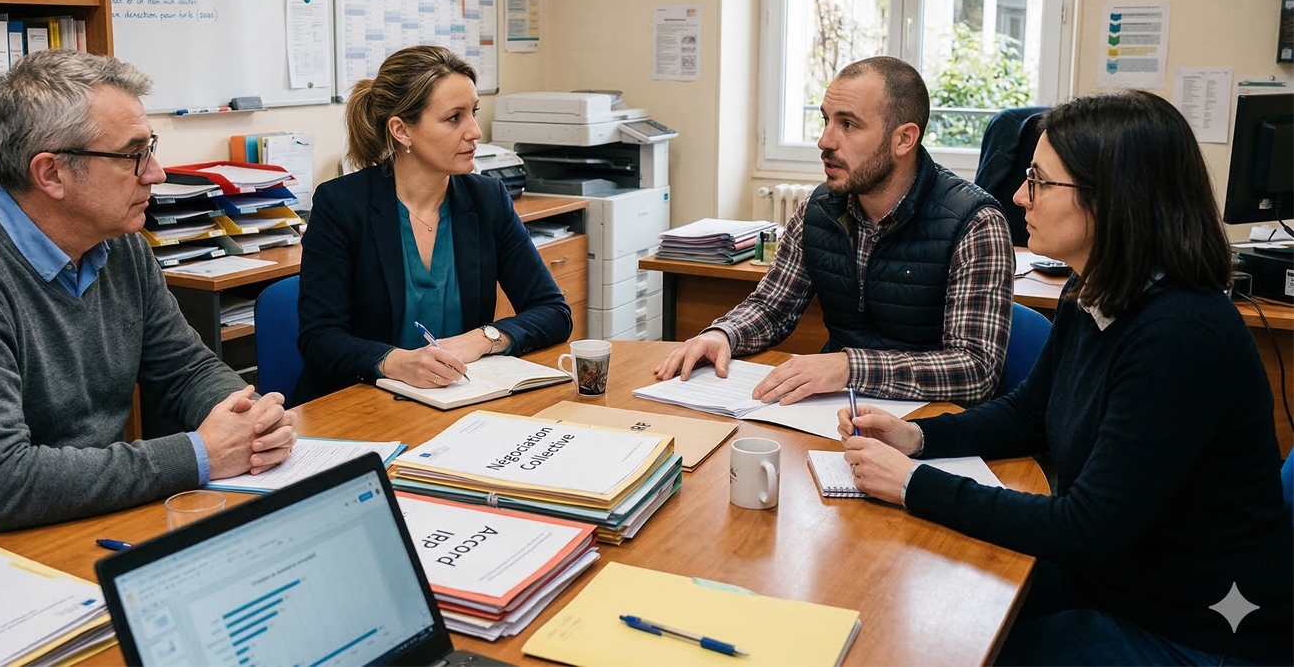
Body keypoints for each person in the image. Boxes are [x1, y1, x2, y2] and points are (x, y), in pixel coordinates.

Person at [839, 91, 1292, 665]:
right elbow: (1032, 412)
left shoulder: (1180, 333)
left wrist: (912, 484)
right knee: (906, 607)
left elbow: (1087, 529)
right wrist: (920, 439)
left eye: (1040, 180)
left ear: (1113, 201)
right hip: (1119, 583)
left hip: (1194, 629)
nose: (1018, 194)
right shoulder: (1094, 290)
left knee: (936, 647)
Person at [0, 50, 296, 558]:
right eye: (132, 155)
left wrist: (251, 420)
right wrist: (201, 454)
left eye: (149, 149)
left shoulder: (119, 243)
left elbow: (184, 369)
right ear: (51, 174)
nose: (155, 174)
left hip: (78, 521)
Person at [655, 56, 1013, 407]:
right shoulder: (821, 207)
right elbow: (772, 308)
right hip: (836, 411)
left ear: (904, 139)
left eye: (849, 125)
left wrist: (849, 366)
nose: (825, 141)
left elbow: (975, 370)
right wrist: (724, 333)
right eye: (826, 120)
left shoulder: (975, 223)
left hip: (929, 426)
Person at [297, 46, 571, 400]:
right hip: (363, 402)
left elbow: (553, 312)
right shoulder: (342, 205)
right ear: (401, 130)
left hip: (459, 398)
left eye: (473, 113)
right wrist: (396, 362)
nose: (474, 131)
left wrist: (482, 338)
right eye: (454, 118)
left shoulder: (487, 200)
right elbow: (319, 338)